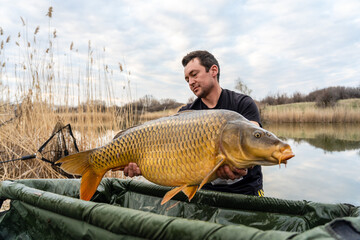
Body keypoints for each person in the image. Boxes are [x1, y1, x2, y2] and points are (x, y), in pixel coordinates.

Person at [124, 50, 264, 197]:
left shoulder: (242, 104)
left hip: (247, 191)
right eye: (187, 79)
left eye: (194, 74)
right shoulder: (185, 115)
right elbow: (174, 159)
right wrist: (145, 167)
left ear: (213, 70)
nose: (190, 82)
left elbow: (255, 143)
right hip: (205, 193)